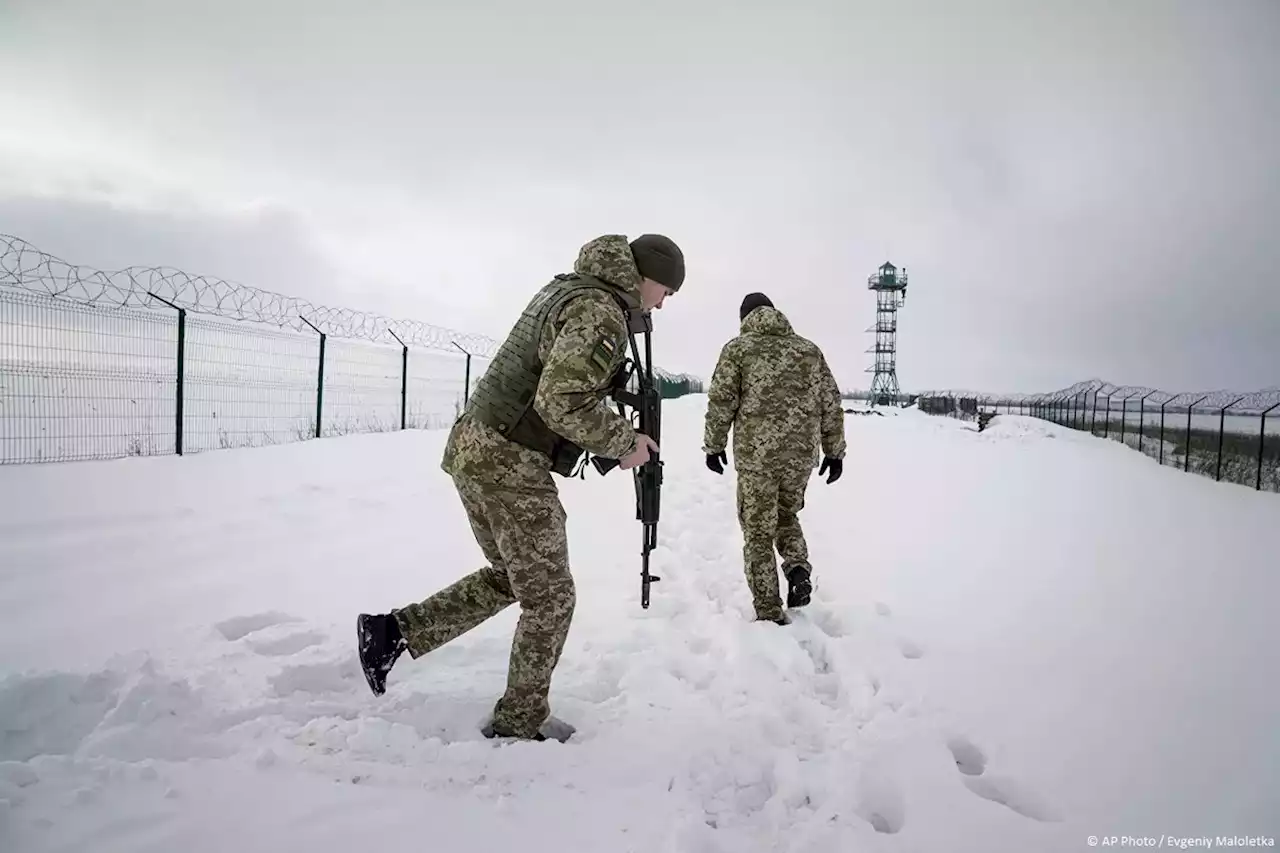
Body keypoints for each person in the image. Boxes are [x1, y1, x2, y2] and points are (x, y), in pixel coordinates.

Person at [355, 233, 684, 742]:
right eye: (666, 289)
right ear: (646, 276)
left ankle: (391, 634)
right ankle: (519, 723)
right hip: (507, 459)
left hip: (479, 448)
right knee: (551, 597)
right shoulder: (599, 310)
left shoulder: (573, 290)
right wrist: (623, 443)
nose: (664, 301)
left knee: (516, 578)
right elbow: (560, 400)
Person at [701, 293, 846, 625]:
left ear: (744, 318)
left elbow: (722, 401)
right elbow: (830, 404)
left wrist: (714, 445)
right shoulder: (809, 351)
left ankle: (768, 611)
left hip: (757, 459)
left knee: (757, 533)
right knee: (787, 515)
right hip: (799, 458)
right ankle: (797, 567)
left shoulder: (738, 349)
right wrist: (834, 452)